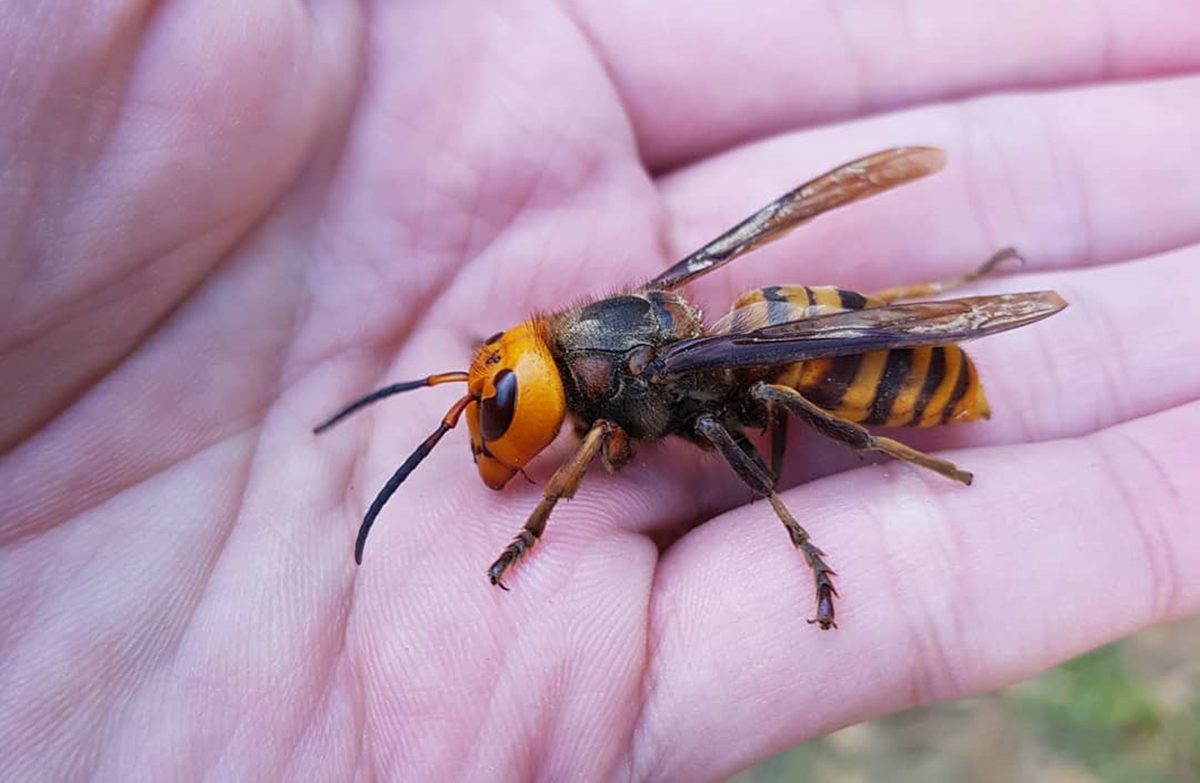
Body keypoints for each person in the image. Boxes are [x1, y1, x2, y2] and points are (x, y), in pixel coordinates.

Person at [2, 2, 1198, 779]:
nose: (498, 412)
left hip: (867, 374)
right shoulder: (602, 366)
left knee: (786, 381)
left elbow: (607, 446)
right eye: (493, 400)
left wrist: (538, 519)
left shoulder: (628, 392)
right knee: (778, 349)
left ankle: (871, 467)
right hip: (773, 348)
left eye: (499, 398)